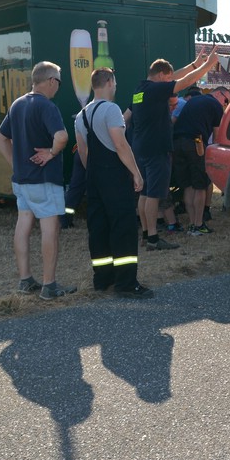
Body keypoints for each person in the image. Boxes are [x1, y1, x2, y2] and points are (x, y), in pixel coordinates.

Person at [0, 61, 75, 300]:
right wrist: (51, 153)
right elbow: (62, 136)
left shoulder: (18, 104)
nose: (58, 88)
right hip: (43, 179)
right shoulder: (46, 106)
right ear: (51, 81)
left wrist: (16, 164)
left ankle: (25, 279)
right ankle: (49, 286)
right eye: (58, 82)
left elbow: (1, 137)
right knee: (50, 228)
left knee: (23, 225)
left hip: (22, 181)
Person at [75, 68, 151, 298]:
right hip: (114, 177)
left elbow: (82, 151)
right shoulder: (112, 109)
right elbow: (120, 145)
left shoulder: (82, 115)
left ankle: (102, 279)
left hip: (94, 177)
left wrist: (94, 175)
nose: (116, 87)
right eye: (114, 82)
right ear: (108, 82)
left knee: (98, 228)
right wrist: (136, 173)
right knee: (123, 227)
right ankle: (126, 283)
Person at [131, 48, 217, 250]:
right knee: (153, 194)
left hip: (141, 148)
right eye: (167, 78)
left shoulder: (141, 89)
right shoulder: (155, 90)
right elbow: (183, 82)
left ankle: (145, 234)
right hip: (156, 149)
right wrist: (208, 65)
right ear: (161, 76)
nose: (170, 84)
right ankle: (153, 239)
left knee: (144, 194)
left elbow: (175, 77)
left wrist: (194, 65)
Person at [173, 86, 229, 235]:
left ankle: (192, 223)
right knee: (200, 186)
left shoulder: (194, 100)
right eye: (226, 100)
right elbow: (217, 138)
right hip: (195, 143)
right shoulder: (216, 106)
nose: (225, 104)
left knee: (189, 186)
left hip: (177, 144)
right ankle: (198, 225)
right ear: (219, 93)